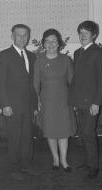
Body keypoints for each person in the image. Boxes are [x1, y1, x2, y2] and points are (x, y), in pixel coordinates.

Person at [68, 20, 102, 179]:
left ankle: (94, 166)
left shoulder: (99, 53)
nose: (82, 36)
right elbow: (77, 79)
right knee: (83, 134)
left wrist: (97, 103)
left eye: (86, 33)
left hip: (92, 102)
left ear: (94, 35)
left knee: (88, 133)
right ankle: (89, 161)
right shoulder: (78, 53)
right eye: (81, 33)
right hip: (80, 101)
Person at [0, 24, 38, 179]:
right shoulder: (4, 55)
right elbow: (0, 83)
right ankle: (14, 166)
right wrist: (5, 104)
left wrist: (34, 105)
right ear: (12, 36)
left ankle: (26, 164)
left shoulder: (32, 56)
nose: (22, 38)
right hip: (12, 105)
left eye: (25, 35)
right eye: (19, 35)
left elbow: (32, 84)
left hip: (28, 105)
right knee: (14, 136)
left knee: (28, 136)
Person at [33, 29, 76, 172]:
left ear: (59, 43)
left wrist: (74, 101)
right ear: (43, 43)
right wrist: (37, 101)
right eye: (47, 41)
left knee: (63, 132)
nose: (51, 44)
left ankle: (64, 160)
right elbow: (35, 84)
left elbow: (72, 82)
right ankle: (55, 159)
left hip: (64, 101)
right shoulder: (39, 61)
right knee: (50, 131)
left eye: (54, 41)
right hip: (47, 102)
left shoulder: (66, 60)